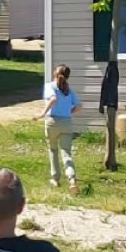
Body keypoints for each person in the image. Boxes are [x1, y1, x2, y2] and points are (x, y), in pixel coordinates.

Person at [39, 63, 80, 195]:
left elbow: (53, 99)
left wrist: (42, 113)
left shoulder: (50, 86)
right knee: (66, 153)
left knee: (53, 149)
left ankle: (55, 179)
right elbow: (79, 106)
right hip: (67, 123)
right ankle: (72, 180)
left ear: (55, 74)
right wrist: (68, 113)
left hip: (52, 121)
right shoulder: (69, 90)